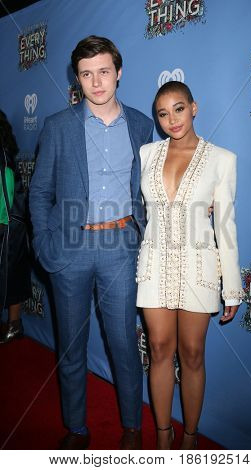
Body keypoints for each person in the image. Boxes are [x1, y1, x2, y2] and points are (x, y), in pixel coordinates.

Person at [29, 36, 153, 450]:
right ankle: (76, 428)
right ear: (77, 78)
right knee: (71, 347)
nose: (96, 82)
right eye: (86, 74)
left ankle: (132, 425)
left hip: (121, 245)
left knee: (123, 343)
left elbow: (148, 187)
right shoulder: (57, 125)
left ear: (118, 72)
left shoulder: (141, 124)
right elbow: (39, 191)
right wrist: (46, 246)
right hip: (70, 247)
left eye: (103, 71)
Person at [136, 81, 244, 450]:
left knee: (193, 353)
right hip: (154, 264)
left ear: (194, 108)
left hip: (200, 265)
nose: (172, 119)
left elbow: (225, 224)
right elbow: (138, 209)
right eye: (163, 114)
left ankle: (190, 437)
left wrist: (232, 284)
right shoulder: (147, 154)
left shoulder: (221, 159)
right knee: (160, 349)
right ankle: (164, 437)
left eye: (179, 109)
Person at [0, 110, 31, 344]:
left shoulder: (3, 155)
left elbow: (7, 193)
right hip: (10, 224)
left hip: (10, 225)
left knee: (12, 276)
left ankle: (14, 326)